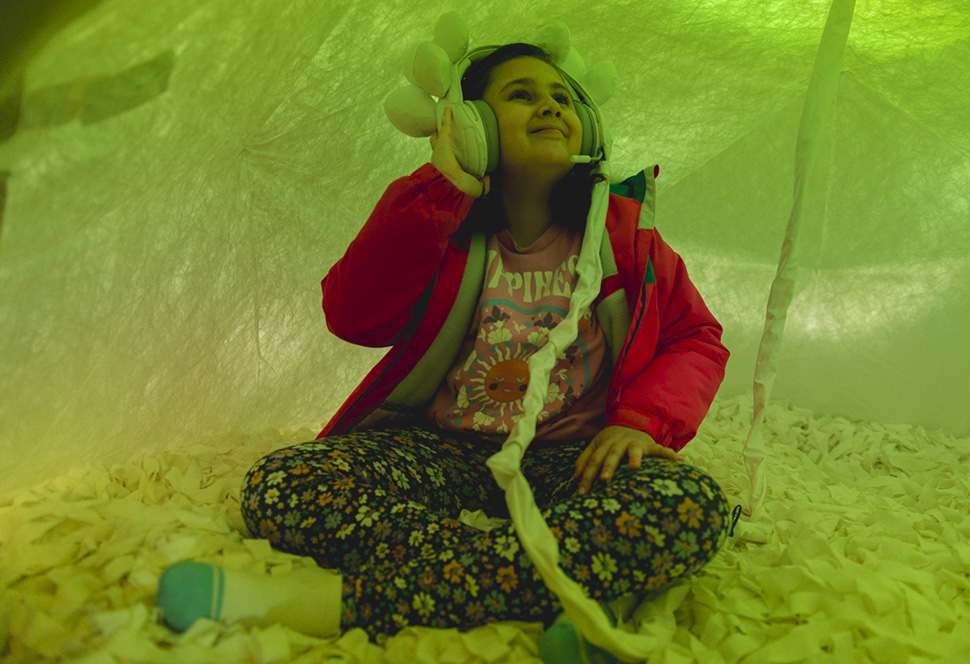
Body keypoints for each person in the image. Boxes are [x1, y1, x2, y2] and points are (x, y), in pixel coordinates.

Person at [157, 43, 732, 651]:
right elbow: (354, 317)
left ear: (588, 126)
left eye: (564, 97)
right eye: (522, 95)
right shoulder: (438, 221)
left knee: (688, 503)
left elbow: (695, 335)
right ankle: (573, 590)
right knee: (285, 483)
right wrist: (441, 187)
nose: (550, 106)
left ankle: (325, 605)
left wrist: (642, 423)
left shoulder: (626, 235)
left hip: (575, 458)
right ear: (474, 125)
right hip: (445, 449)